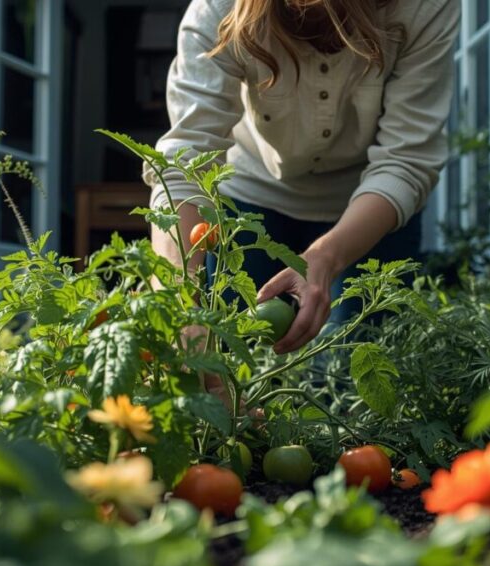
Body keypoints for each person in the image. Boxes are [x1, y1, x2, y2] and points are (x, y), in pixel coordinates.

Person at [145, 0, 460, 354]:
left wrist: (325, 257)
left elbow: (406, 159)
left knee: (357, 370)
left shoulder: (425, 6)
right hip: (250, 193)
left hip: (372, 204)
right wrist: (181, 301)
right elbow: (185, 165)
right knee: (227, 357)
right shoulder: (218, 8)